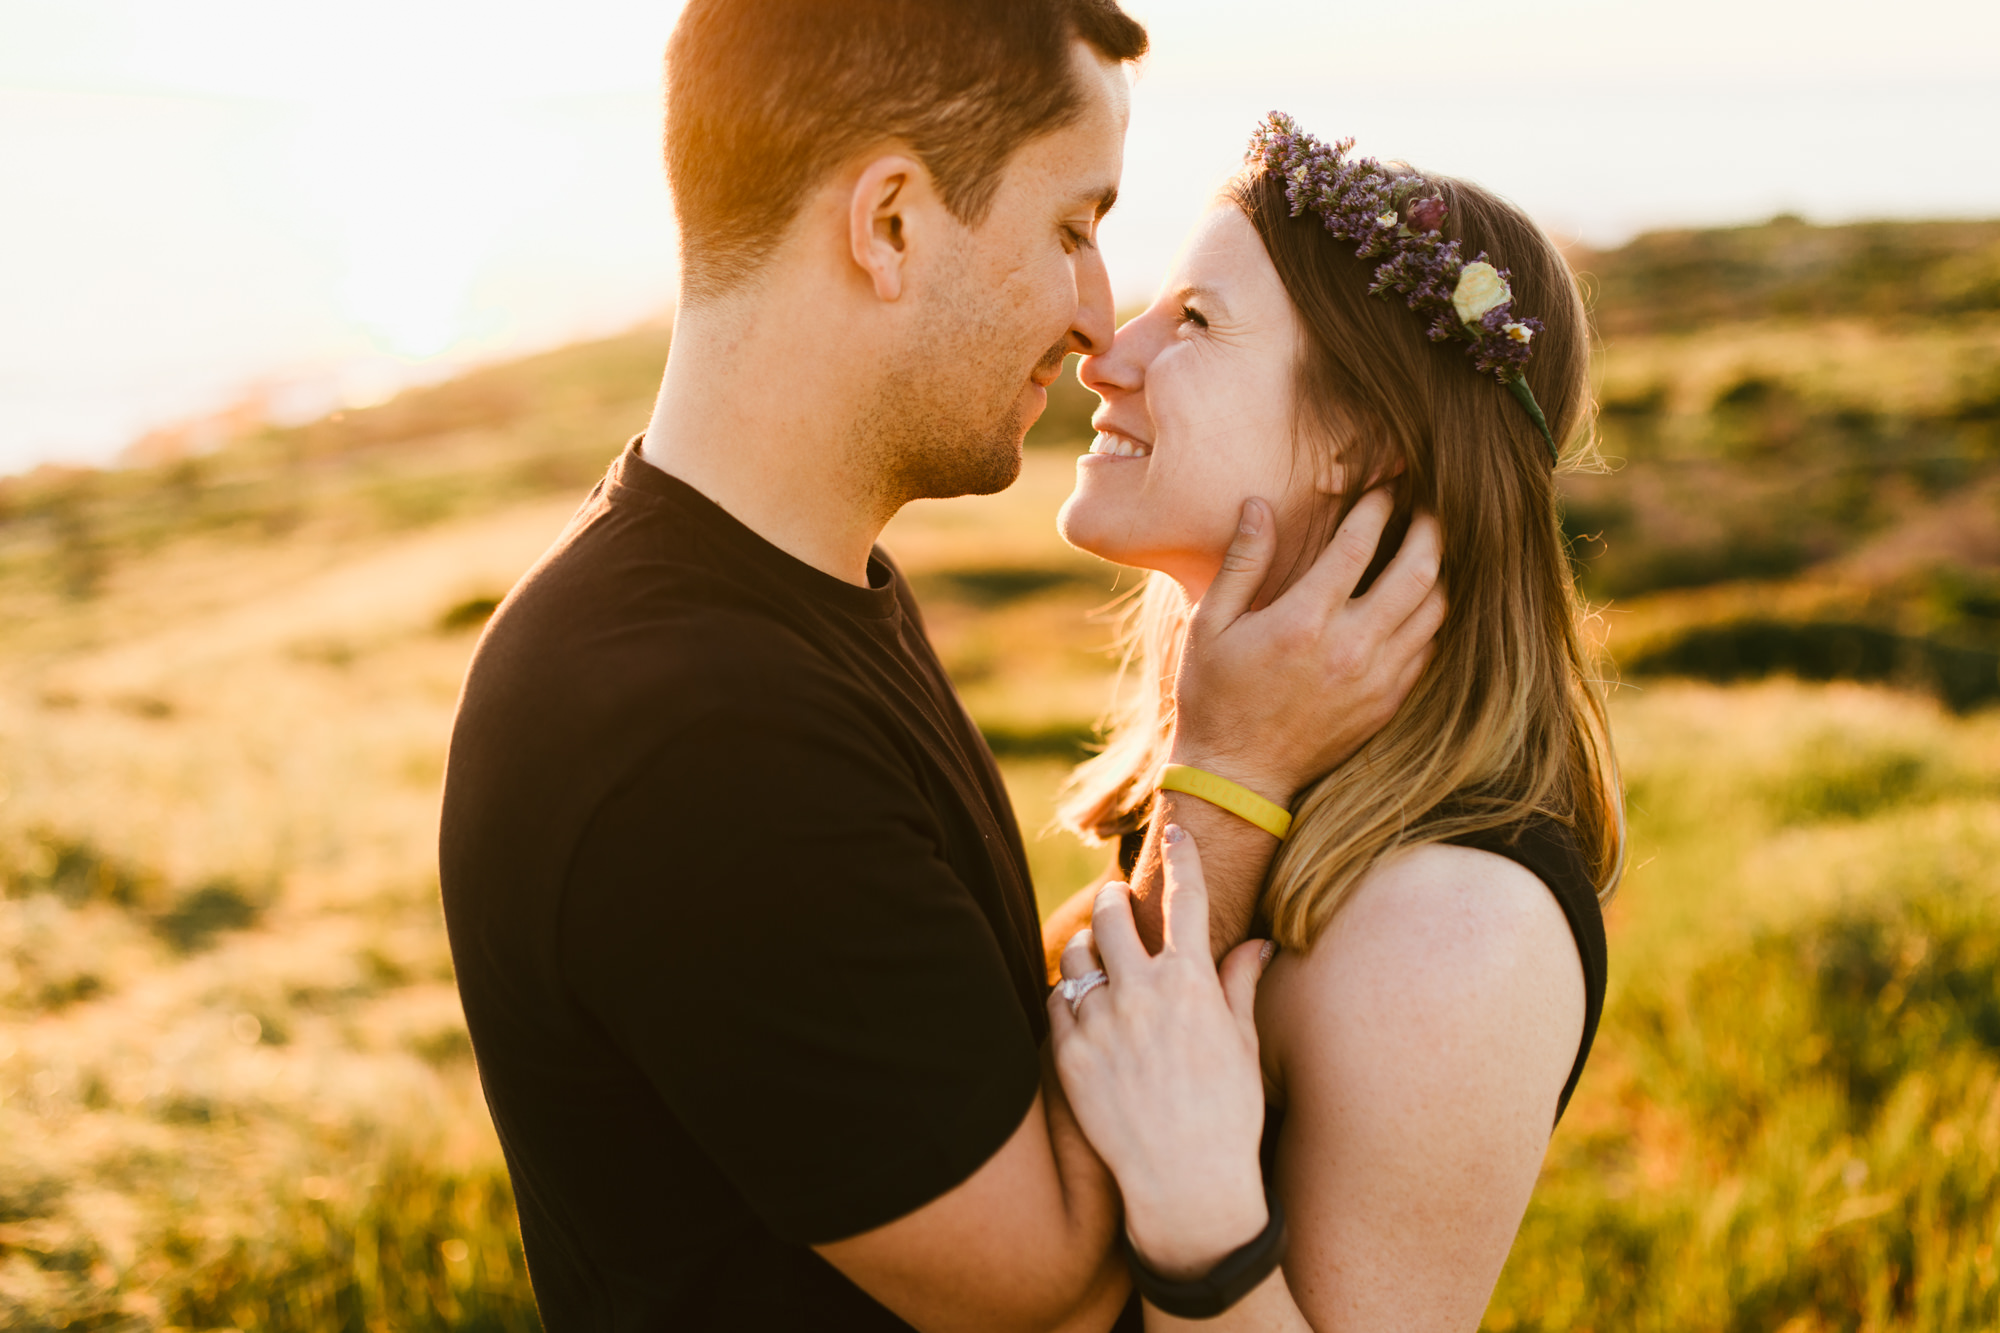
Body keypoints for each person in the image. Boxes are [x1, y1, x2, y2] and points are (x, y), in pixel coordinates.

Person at [437, 7, 1445, 1329]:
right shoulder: (692, 733)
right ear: (891, 224)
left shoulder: (794, 595)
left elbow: (943, 1038)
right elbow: (1048, 1285)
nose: (1097, 320)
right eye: (1073, 229)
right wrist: (1232, 779)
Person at [1043, 116, 1625, 1330]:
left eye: (1193, 322)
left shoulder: (1455, 926)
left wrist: (1199, 1211)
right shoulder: (1232, 778)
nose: (1105, 351)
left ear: (1358, 436)